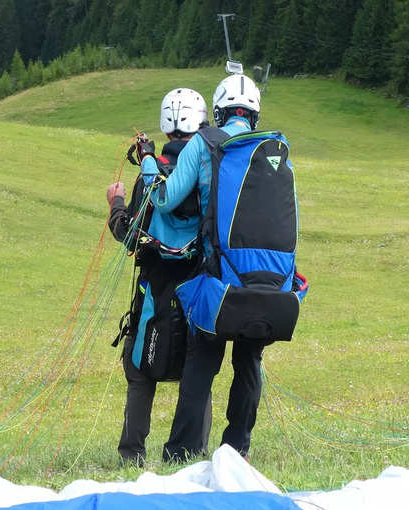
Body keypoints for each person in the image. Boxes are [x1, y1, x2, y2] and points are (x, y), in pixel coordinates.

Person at [138, 74, 305, 462]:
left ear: (218, 110)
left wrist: (148, 160)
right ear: (254, 113)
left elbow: (164, 198)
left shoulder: (204, 143)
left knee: (202, 360)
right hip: (270, 285)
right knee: (249, 361)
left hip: (217, 282)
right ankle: (237, 449)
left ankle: (181, 452)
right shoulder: (276, 151)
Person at [107, 88, 211, 465]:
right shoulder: (206, 174)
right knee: (198, 364)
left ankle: (132, 454)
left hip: (155, 286)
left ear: (166, 129)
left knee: (139, 368)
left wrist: (115, 204)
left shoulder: (151, 175)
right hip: (198, 286)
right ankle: (191, 451)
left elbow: (129, 235)